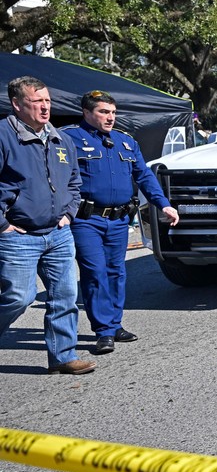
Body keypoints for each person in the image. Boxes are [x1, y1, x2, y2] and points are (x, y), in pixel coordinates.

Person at [61, 91, 181, 354]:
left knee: (116, 272)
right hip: (86, 220)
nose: (110, 117)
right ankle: (103, 330)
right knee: (95, 272)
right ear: (86, 112)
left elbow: (144, 176)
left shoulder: (125, 141)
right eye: (104, 112)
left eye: (113, 112)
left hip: (118, 220)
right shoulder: (68, 138)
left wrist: (163, 204)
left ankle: (114, 325)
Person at [0, 76, 95, 375]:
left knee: (65, 296)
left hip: (58, 233)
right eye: (37, 101)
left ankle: (63, 356)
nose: (45, 107)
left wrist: (69, 214)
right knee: (19, 297)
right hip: (18, 235)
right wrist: (2, 225)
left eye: (47, 101)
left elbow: (74, 182)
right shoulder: (3, 136)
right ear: (17, 104)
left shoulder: (60, 138)